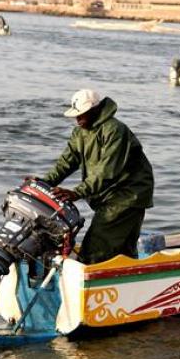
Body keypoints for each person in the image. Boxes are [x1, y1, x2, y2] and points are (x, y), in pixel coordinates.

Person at [39, 89, 154, 264]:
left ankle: (92, 277)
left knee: (96, 247)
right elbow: (66, 163)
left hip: (127, 195)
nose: (78, 119)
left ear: (95, 110)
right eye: (76, 116)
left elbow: (106, 171)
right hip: (109, 195)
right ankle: (125, 279)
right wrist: (43, 183)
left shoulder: (114, 130)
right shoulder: (80, 132)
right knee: (122, 249)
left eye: (82, 115)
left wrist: (77, 192)